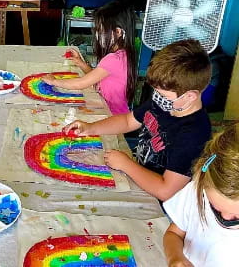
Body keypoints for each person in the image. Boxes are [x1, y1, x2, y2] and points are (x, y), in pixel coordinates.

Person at [64, 39, 212, 201]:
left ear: (190, 96)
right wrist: (91, 128)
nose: (157, 97)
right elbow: (128, 121)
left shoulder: (194, 134)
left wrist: (126, 165)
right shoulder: (167, 103)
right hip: (137, 174)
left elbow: (166, 191)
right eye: (156, 91)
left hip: (159, 203)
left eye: (163, 95)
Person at [163, 123, 239, 266]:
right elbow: (174, 234)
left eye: (236, 217)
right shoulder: (198, 190)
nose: (225, 219)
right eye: (214, 207)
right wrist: (175, 257)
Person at [42, 1, 137, 115]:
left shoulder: (113, 59)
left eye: (101, 31)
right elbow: (98, 76)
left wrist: (54, 81)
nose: (97, 35)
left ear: (118, 32)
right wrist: (81, 63)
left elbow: (80, 83)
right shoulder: (123, 54)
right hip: (117, 112)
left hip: (112, 115)